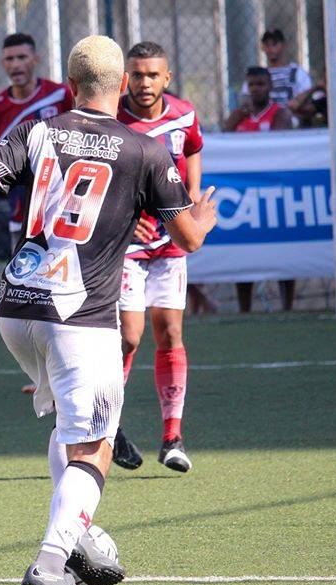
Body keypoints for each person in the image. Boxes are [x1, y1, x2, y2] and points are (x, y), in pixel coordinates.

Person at [0, 35, 217, 585]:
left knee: (67, 431)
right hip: (80, 317)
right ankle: (52, 563)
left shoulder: (36, 130)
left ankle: (81, 538)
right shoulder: (145, 150)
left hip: (17, 307)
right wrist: (201, 219)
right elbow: (187, 239)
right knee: (95, 448)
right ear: (122, 85)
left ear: (70, 83)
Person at [112, 41, 204, 473]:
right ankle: (107, 424)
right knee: (129, 336)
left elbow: (192, 148)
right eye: (136, 74)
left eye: (153, 74)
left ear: (167, 78)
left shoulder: (184, 115)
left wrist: (192, 198)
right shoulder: (110, 120)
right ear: (124, 78)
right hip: (124, 245)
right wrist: (126, 221)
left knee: (170, 332)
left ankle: (173, 438)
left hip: (168, 243)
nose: (144, 82)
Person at [0, 32, 74, 394]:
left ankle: (68, 367)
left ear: (36, 59)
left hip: (66, 214)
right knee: (29, 292)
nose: (15, 65)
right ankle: (44, 374)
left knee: (66, 290)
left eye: (21, 57)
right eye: (9, 59)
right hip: (24, 216)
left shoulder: (60, 96)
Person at [226, 66, 294, 313]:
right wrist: (234, 120)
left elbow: (277, 145)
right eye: (251, 85)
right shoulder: (239, 115)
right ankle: (245, 310)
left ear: (270, 87)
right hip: (244, 193)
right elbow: (222, 143)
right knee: (244, 252)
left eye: (260, 84)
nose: (255, 89)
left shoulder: (280, 114)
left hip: (273, 191)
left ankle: (287, 307)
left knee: (283, 250)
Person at [247, 29, 312, 120]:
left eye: (274, 44)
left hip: (292, 119)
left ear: (283, 45)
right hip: (263, 119)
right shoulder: (259, 74)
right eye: (267, 45)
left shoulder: (298, 72)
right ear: (263, 48)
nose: (271, 49)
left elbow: (307, 100)